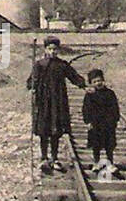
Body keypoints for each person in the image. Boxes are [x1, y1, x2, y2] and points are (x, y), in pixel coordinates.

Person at [27, 36, 86, 173]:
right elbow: (31, 81)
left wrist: (84, 85)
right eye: (50, 49)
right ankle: (43, 157)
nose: (53, 51)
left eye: (55, 49)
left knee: (56, 131)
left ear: (58, 50)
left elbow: (74, 77)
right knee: (43, 130)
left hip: (58, 102)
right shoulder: (39, 65)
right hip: (43, 101)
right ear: (45, 49)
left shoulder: (62, 65)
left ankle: (55, 158)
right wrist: (32, 86)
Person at [81, 68, 121, 175]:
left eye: (99, 80)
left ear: (103, 80)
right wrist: (88, 121)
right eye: (94, 82)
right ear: (91, 83)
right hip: (95, 123)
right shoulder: (90, 95)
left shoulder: (110, 93)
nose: (98, 83)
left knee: (109, 145)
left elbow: (115, 107)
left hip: (108, 123)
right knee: (96, 144)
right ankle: (96, 162)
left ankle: (110, 163)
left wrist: (115, 119)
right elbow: (85, 109)